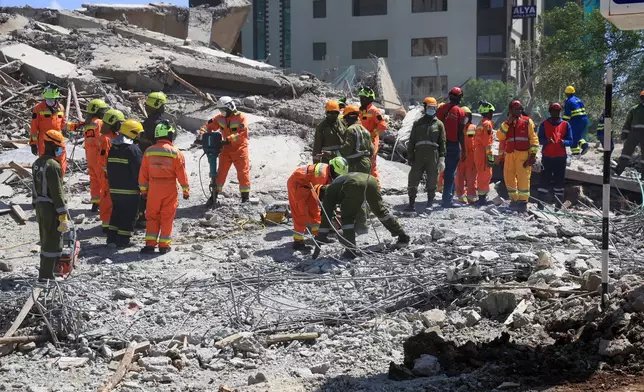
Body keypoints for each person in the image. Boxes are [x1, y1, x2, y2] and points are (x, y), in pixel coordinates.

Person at [315, 172, 410, 259]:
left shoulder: (329, 192)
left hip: (354, 184)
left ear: (321, 195)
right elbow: (357, 206)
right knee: (381, 211)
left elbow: (326, 216)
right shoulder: (337, 185)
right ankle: (403, 237)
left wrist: (320, 239)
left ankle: (350, 251)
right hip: (371, 180)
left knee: (348, 218)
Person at [139, 121, 189, 254]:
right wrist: (185, 190)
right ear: (169, 135)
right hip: (169, 187)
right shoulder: (175, 152)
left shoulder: (149, 151)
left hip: (153, 188)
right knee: (167, 216)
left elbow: (143, 173)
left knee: (152, 216)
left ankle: (150, 245)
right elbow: (181, 173)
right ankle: (163, 246)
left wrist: (144, 191)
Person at [287, 157, 348, 250]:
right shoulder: (322, 175)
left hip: (308, 186)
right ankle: (298, 242)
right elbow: (321, 197)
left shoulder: (329, 172)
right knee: (300, 213)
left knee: (314, 211)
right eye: (337, 174)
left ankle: (319, 236)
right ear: (332, 168)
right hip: (297, 185)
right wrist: (331, 211)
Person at [32, 130, 69, 281]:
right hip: (50, 208)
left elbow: (34, 188)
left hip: (40, 206)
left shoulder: (37, 163)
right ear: (54, 145)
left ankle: (47, 271)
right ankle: (47, 275)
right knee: (53, 241)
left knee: (45, 239)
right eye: (59, 146)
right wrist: (62, 214)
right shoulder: (53, 165)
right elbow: (57, 192)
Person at [200, 96, 250, 204]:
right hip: (225, 149)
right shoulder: (220, 118)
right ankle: (214, 195)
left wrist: (228, 139)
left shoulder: (241, 117)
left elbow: (242, 134)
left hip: (240, 149)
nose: (221, 112)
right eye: (220, 110)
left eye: (223, 110)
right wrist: (202, 135)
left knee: (243, 173)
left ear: (229, 108)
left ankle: (245, 198)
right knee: (220, 173)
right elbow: (208, 126)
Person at [106, 120, 144, 247]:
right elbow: (139, 172)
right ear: (133, 133)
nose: (140, 137)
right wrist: (143, 187)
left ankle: (111, 238)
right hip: (130, 190)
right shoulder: (133, 150)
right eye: (138, 134)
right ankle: (123, 240)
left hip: (114, 189)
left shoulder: (113, 148)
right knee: (128, 215)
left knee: (117, 212)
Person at [497, 100, 539, 213]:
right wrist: (507, 123)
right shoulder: (506, 124)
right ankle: (514, 200)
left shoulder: (527, 121)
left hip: (523, 155)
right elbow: (500, 136)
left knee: (523, 179)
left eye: (519, 109)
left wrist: (532, 156)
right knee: (508, 178)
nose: (518, 111)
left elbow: (534, 139)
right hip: (510, 155)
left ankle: (523, 203)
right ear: (510, 110)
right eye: (515, 109)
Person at [406, 97, 446, 212]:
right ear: (425, 107)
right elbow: (412, 140)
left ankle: (430, 203)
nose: (431, 109)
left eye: (433, 108)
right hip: (418, 154)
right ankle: (411, 203)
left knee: (432, 179)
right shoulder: (417, 123)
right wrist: (410, 156)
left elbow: (442, 142)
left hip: (433, 155)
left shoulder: (439, 124)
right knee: (413, 179)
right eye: (429, 107)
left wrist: (442, 158)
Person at [72, 99, 108, 212]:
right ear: (96, 111)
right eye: (102, 110)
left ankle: (95, 204)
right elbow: (102, 140)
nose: (104, 112)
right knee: (103, 181)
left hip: (90, 156)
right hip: (98, 156)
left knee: (94, 181)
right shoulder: (99, 123)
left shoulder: (88, 124)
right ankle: (105, 205)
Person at [137, 92, 168, 226]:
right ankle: (151, 217)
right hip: (157, 162)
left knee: (144, 189)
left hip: (144, 160)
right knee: (156, 191)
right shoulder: (161, 124)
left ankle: (141, 215)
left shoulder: (146, 122)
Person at [537, 102, 573, 211]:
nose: (555, 113)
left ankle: (557, 208)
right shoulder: (544, 124)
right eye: (553, 111)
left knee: (559, 183)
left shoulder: (566, 125)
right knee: (543, 181)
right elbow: (539, 140)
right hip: (547, 158)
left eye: (557, 111)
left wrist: (563, 142)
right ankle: (540, 206)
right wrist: (547, 140)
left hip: (560, 158)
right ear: (550, 111)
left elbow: (570, 141)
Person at [436, 87, 467, 208]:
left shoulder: (441, 108)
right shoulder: (461, 112)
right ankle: (447, 200)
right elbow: (461, 133)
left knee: (439, 170)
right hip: (452, 145)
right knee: (450, 172)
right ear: (460, 97)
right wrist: (463, 149)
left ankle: (433, 198)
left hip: (440, 144)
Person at [30, 85, 68, 175]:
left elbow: (64, 124)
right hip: (44, 140)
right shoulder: (38, 108)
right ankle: (46, 184)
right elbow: (34, 127)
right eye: (48, 98)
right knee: (45, 163)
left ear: (56, 98)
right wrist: (33, 144)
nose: (50, 101)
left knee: (61, 161)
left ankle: (59, 181)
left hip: (58, 139)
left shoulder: (61, 108)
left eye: (52, 98)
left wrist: (74, 127)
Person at [98, 109, 125, 232]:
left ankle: (112, 222)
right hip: (107, 174)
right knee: (107, 197)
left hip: (112, 172)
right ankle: (106, 224)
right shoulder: (106, 139)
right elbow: (103, 158)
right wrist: (109, 172)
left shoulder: (113, 136)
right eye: (119, 123)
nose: (121, 126)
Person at [358, 87, 386, 182]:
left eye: (364, 98)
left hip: (371, 143)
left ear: (370, 99)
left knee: (371, 168)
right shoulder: (360, 111)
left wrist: (372, 134)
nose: (361, 100)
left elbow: (382, 126)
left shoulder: (374, 111)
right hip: (360, 143)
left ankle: (376, 190)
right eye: (361, 98)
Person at [614, 91, 644, 177]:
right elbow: (628, 123)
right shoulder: (634, 109)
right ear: (640, 98)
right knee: (626, 152)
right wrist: (624, 135)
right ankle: (618, 170)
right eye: (642, 97)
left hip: (637, 133)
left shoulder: (634, 109)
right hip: (634, 132)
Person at [339, 105, 374, 173]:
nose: (345, 121)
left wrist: (336, 152)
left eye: (345, 118)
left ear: (349, 117)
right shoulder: (366, 130)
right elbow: (372, 149)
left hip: (355, 165)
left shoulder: (351, 129)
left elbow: (347, 149)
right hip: (366, 164)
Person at [474, 101, 496, 206]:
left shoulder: (481, 123)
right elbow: (487, 142)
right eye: (491, 112)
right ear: (487, 112)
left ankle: (481, 197)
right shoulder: (487, 124)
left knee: (481, 173)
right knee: (485, 173)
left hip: (478, 151)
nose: (492, 114)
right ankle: (482, 199)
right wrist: (490, 156)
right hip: (484, 152)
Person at [454, 107, 477, 204]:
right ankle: (460, 197)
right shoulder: (457, 128)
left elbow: (475, 142)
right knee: (459, 177)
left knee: (471, 177)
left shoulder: (473, 127)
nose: (465, 117)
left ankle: (471, 197)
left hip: (470, 155)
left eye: (467, 115)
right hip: (459, 155)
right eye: (463, 115)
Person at [563, 86, 589, 155]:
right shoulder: (578, 99)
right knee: (577, 135)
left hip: (577, 120)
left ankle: (575, 153)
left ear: (566, 93)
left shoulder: (568, 101)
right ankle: (584, 145)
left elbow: (567, 115)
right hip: (585, 119)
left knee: (573, 136)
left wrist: (562, 122)